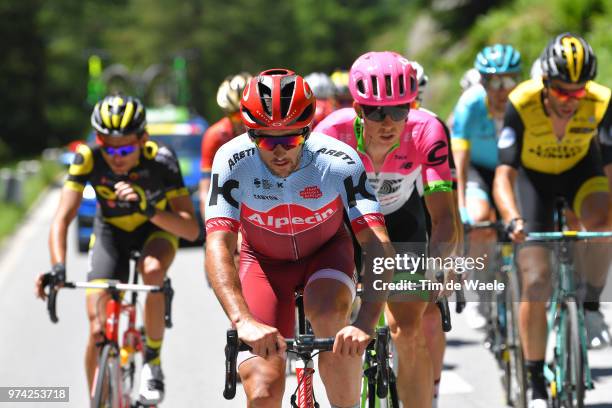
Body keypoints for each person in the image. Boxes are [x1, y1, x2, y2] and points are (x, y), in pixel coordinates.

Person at [205, 68, 393, 407]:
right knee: (263, 391)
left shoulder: (338, 161)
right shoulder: (232, 160)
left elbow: (377, 244)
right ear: (249, 133)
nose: (279, 151)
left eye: (290, 139)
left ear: (306, 130)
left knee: (330, 317)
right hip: (264, 263)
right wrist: (242, 320)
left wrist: (364, 322)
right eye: (265, 139)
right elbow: (219, 243)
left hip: (325, 255)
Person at [315, 52, 460, 408]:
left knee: (408, 329)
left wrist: (438, 265)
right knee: (330, 313)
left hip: (401, 221)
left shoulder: (429, 130)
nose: (388, 121)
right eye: (375, 111)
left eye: (399, 110)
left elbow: (443, 217)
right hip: (346, 225)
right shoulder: (331, 133)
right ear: (357, 107)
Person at [34, 95, 200, 405]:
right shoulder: (88, 158)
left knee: (152, 271)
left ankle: (152, 363)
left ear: (143, 139)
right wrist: (57, 267)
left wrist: (148, 208)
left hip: (156, 230)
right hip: (111, 233)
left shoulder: (161, 160)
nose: (116, 157)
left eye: (125, 148)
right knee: (97, 332)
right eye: (108, 147)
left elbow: (190, 228)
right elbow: (62, 219)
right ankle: (97, 400)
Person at [493, 33, 612, 407]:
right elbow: (503, 176)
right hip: (534, 182)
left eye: (578, 92)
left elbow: (610, 169)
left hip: (581, 172)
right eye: (562, 92)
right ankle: (534, 380)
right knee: (537, 279)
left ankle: (591, 304)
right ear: (545, 83)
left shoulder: (602, 101)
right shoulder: (521, 102)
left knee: (602, 221)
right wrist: (512, 219)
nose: (570, 101)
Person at [451, 44, 522, 328]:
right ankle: (481, 291)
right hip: (479, 170)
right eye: (494, 81)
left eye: (509, 80)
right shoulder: (470, 104)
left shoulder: (526, 102)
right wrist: (460, 208)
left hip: (514, 169)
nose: (503, 89)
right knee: (480, 222)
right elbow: (460, 161)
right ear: (482, 81)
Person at [199, 72, 252, 220]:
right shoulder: (215, 136)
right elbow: (207, 190)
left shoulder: (273, 131)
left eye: (246, 114)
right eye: (236, 116)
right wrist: (210, 228)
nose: (242, 122)